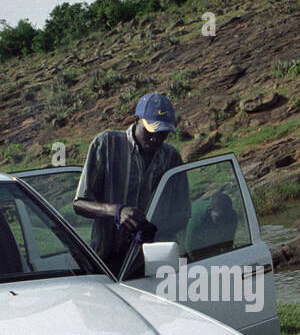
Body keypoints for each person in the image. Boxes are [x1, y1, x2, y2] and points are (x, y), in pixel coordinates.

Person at [73, 92, 190, 277]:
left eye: (163, 134)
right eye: (151, 131)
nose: (156, 139)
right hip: (106, 261)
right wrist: (116, 211)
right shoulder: (106, 144)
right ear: (136, 119)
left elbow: (182, 212)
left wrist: (155, 228)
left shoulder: (171, 158)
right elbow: (80, 203)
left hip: (150, 262)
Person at [186, 191, 239, 260]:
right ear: (210, 210)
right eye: (219, 218)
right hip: (186, 227)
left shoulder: (232, 217)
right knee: (184, 260)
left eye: (226, 217)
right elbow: (189, 246)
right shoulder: (197, 217)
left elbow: (228, 243)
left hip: (209, 230)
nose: (222, 222)